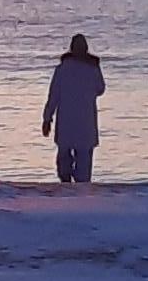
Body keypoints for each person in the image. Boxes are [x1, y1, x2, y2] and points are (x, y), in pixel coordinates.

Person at [43, 31, 106, 185]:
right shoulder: (92, 68)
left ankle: (66, 182)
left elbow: (53, 96)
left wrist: (47, 118)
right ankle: (81, 189)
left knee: (64, 155)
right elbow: (100, 89)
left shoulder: (62, 69)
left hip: (66, 120)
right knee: (84, 158)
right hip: (85, 120)